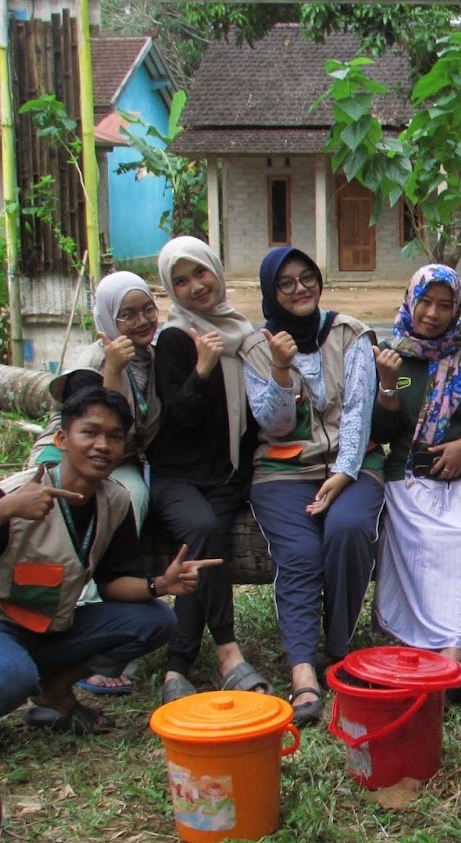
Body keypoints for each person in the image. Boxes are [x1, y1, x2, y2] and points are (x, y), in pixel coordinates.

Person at [0, 387, 218, 733]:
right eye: (90, 432)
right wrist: (6, 508)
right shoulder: (21, 491)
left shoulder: (114, 501)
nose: (103, 445)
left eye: (115, 436)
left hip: (50, 625)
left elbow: (111, 582)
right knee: (9, 678)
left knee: (158, 620)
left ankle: (54, 689)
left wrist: (160, 585)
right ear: (63, 439)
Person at [243, 247, 386, 726]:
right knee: (300, 553)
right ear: (271, 292)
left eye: (308, 277)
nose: (300, 288)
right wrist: (282, 370)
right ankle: (302, 667)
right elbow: (275, 425)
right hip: (285, 471)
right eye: (286, 283)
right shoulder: (256, 346)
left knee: (347, 530)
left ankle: (337, 648)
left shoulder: (350, 333)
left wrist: (343, 473)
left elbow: (358, 411)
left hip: (354, 465)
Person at [372, 264, 461, 689]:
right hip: (411, 473)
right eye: (425, 302)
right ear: (410, 299)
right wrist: (386, 385)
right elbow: (381, 433)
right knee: (424, 540)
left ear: (457, 307)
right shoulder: (391, 353)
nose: (433, 314)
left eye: (444, 304)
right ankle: (431, 648)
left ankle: (450, 655)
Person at [29, 271, 163, 695]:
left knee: (133, 494)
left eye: (147, 310)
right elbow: (103, 428)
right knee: (113, 498)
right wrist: (114, 367)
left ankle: (110, 620)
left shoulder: (154, 358)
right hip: (74, 456)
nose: (141, 321)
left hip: (121, 458)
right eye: (126, 315)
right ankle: (81, 608)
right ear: (108, 319)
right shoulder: (90, 363)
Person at [151, 236, 270, 705]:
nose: (195, 286)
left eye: (200, 273)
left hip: (227, 478)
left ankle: (177, 666)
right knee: (201, 530)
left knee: (206, 545)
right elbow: (179, 419)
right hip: (176, 476)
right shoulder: (175, 339)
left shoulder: (240, 331)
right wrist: (201, 369)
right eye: (180, 281)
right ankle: (226, 651)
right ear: (170, 289)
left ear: (216, 271)